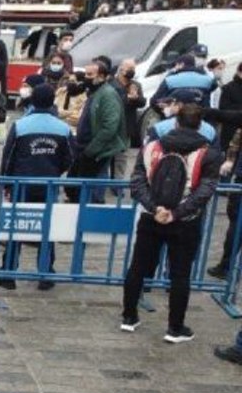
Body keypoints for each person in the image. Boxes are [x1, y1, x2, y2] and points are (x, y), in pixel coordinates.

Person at [121, 104, 221, 342]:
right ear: (201, 126)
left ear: (176, 123)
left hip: (151, 217)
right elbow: (204, 192)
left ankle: (129, 317)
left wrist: (155, 208)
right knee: (180, 274)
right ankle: (175, 328)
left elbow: (137, 182)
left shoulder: (152, 147)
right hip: (185, 221)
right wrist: (175, 213)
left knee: (137, 268)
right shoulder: (208, 154)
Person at [0, 84, 73, 290]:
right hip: (49, 185)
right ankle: (45, 274)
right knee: (47, 229)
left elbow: (8, 158)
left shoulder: (21, 126)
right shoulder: (63, 128)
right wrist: (54, 169)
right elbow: (69, 158)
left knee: (16, 228)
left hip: (22, 184)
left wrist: (6, 183)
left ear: (33, 101)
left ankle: (8, 273)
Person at [73, 58, 126, 202]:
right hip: (87, 148)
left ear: (102, 77)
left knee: (94, 191)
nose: (86, 78)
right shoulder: (95, 92)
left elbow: (109, 128)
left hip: (98, 152)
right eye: (86, 74)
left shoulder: (107, 94)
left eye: (90, 75)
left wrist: (91, 150)